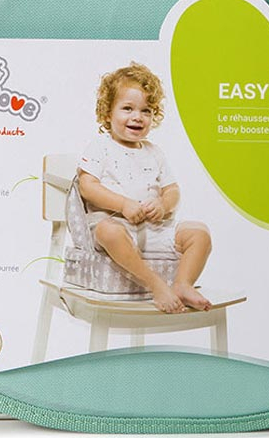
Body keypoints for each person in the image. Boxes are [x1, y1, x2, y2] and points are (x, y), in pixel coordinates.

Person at [78, 62, 212, 314]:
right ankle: (156, 285)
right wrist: (123, 205)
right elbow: (87, 186)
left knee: (200, 234)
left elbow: (172, 190)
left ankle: (183, 284)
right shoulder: (100, 146)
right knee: (108, 232)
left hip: (154, 229)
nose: (137, 117)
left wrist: (163, 204)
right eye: (127, 108)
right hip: (116, 227)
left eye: (146, 110)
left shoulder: (154, 152)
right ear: (107, 113)